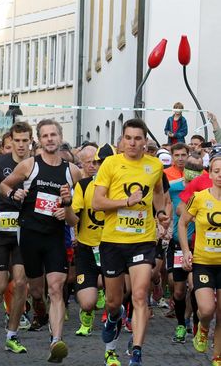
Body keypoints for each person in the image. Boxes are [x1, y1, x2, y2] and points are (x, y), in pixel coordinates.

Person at [0, 118, 81, 363]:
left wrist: (65, 209)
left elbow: (75, 218)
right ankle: (21, 326)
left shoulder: (72, 172)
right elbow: (3, 185)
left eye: (53, 135)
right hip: (29, 234)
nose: (49, 139)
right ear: (39, 139)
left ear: (60, 137)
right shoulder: (28, 166)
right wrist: (15, 193)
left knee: (56, 287)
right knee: (31, 288)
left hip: (55, 237)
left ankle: (56, 341)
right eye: (45, 136)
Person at [92, 118, 169, 366]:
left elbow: (158, 192)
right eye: (129, 138)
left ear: (145, 142)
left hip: (143, 240)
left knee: (139, 294)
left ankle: (136, 351)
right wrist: (126, 202)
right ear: (122, 141)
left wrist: (159, 213)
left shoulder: (155, 166)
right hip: (113, 241)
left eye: (138, 139)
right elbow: (97, 202)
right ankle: (115, 317)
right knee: (114, 301)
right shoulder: (111, 164)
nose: (133, 143)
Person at [72, 144, 121, 365]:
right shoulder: (83, 185)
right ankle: (87, 315)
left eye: (107, 162)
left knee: (112, 295)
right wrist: (65, 212)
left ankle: (113, 341)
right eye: (99, 163)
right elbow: (74, 217)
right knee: (87, 302)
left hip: (112, 248)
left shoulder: (121, 187)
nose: (101, 166)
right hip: (86, 249)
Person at [0, 121, 32, 354]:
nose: (21, 145)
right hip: (1, 231)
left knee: (21, 282)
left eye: (25, 140)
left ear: (30, 141)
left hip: (24, 232)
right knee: (0, 285)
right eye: (18, 140)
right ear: (10, 141)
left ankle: (12, 334)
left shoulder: (35, 165)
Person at [178, 151, 221, 366]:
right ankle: (203, 327)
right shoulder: (200, 197)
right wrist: (186, 251)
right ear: (210, 174)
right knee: (207, 309)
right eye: (216, 171)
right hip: (203, 262)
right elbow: (183, 222)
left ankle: (217, 357)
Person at [163, 143, 193, 344]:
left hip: (198, 240)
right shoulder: (168, 178)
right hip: (176, 239)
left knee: (196, 285)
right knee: (178, 288)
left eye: (184, 155)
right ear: (172, 156)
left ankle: (190, 322)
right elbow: (161, 198)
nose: (181, 158)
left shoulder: (204, 179)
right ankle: (182, 319)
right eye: (177, 155)